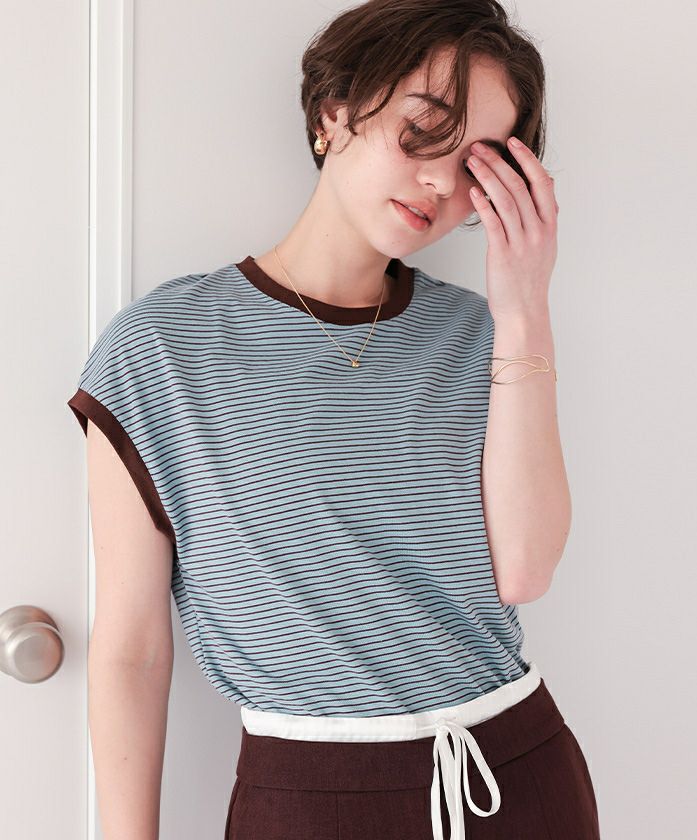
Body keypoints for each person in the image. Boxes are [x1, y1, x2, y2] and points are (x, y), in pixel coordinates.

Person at [67, 1, 600, 838]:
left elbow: (525, 571)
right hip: (307, 796)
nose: (443, 182)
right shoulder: (162, 349)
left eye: (477, 165)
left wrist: (527, 305)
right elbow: (132, 651)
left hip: (513, 778)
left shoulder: (486, 335)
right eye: (426, 129)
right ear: (334, 112)